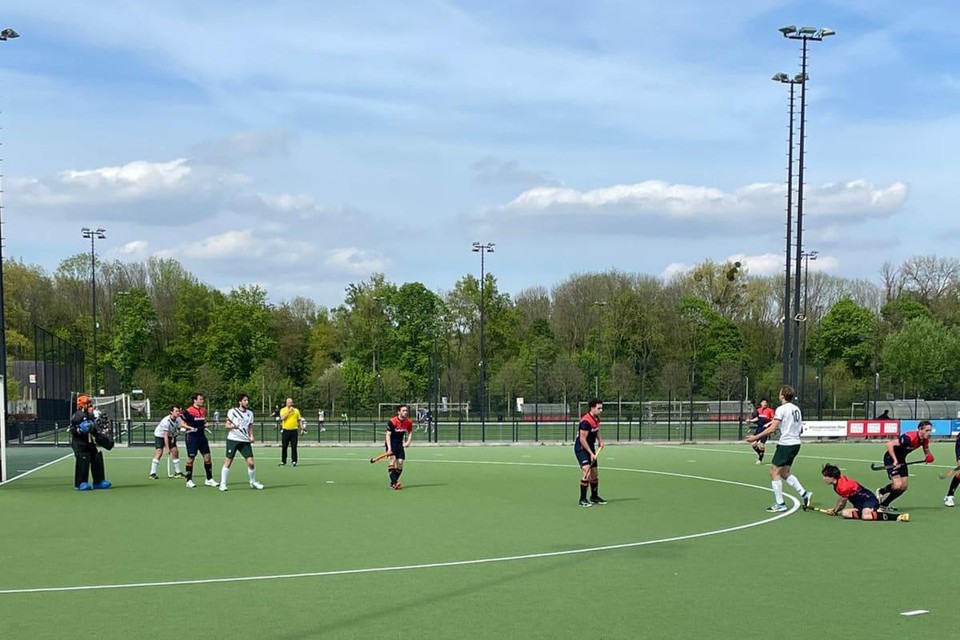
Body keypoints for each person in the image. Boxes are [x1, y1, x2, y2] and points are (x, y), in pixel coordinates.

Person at [746, 384, 812, 512]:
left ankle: (780, 503)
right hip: (796, 444)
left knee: (774, 472)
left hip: (786, 444)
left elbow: (772, 429)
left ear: (782, 395)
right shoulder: (796, 409)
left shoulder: (781, 409)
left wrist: (755, 437)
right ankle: (804, 493)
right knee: (784, 472)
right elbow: (797, 427)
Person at [876, 420, 933, 512]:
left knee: (903, 487)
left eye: (930, 430)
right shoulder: (909, 437)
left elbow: (926, 449)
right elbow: (889, 444)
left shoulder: (924, 440)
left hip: (901, 460)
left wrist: (928, 456)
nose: (929, 433)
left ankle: (884, 503)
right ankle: (881, 491)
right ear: (920, 429)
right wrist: (895, 461)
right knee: (898, 485)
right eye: (927, 430)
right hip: (891, 458)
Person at [819, 463, 908, 521]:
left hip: (869, 500)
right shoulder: (837, 484)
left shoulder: (843, 486)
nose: (823, 478)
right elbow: (841, 500)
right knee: (845, 513)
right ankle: (872, 513)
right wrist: (834, 509)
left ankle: (897, 516)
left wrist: (834, 511)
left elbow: (842, 502)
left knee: (866, 516)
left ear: (831, 477)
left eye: (824, 476)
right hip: (859, 505)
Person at [219, 393, 264, 491]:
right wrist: (233, 426)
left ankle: (252, 482)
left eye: (247, 400)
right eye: (245, 400)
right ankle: (223, 484)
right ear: (240, 402)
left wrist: (251, 436)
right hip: (233, 440)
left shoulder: (250, 413)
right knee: (228, 462)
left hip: (244, 441)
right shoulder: (232, 411)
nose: (247, 402)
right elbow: (227, 426)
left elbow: (250, 426)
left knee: (251, 463)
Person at [68, 395, 111, 491]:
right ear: (83, 405)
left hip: (89, 441)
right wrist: (80, 430)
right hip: (79, 442)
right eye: (89, 404)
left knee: (96, 457)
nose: (91, 406)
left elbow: (94, 430)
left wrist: (103, 438)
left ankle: (98, 481)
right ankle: (81, 483)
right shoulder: (77, 416)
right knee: (83, 459)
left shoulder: (90, 416)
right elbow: (73, 429)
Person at [574, 398, 606, 507]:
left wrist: (600, 441)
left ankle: (594, 497)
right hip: (582, 448)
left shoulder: (597, 418)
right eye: (599, 408)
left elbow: (597, 429)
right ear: (592, 408)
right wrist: (591, 453)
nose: (601, 410)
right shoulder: (585, 421)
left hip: (590, 447)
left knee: (594, 473)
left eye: (601, 408)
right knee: (586, 472)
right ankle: (582, 499)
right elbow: (582, 439)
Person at [182, 392, 218, 489]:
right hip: (192, 437)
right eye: (200, 399)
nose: (202, 401)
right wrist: (190, 428)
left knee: (207, 457)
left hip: (202, 436)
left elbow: (203, 421)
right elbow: (182, 423)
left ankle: (209, 479)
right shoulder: (188, 411)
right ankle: (189, 480)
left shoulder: (203, 410)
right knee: (191, 458)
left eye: (202, 399)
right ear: (195, 400)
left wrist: (206, 424)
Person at [384, 404, 414, 489]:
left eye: (406, 411)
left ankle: (393, 481)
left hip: (399, 445)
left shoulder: (408, 422)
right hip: (391, 443)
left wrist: (408, 442)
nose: (406, 412)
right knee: (392, 460)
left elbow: (410, 432)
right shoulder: (392, 421)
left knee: (400, 463)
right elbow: (388, 435)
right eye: (403, 410)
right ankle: (394, 483)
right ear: (398, 412)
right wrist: (389, 448)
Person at [150, 406, 184, 479]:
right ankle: (152, 473)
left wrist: (178, 432)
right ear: (171, 412)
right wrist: (167, 448)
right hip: (160, 435)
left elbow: (178, 428)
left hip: (170, 435)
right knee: (159, 452)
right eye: (176, 411)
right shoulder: (166, 421)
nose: (178, 413)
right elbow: (165, 435)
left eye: (178, 411)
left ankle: (177, 472)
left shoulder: (179, 419)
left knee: (175, 451)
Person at [278, 397, 306, 467]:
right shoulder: (283, 410)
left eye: (291, 402)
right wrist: (289, 412)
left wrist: (302, 428)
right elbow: (282, 418)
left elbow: (299, 420)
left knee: (294, 447)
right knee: (284, 446)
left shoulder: (296, 410)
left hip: (294, 431)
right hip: (286, 430)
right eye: (289, 402)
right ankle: (283, 461)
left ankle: (294, 461)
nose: (290, 404)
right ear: (286, 403)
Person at [747, 399, 775, 464]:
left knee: (762, 445)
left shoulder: (770, 410)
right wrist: (750, 421)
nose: (764, 403)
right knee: (753, 444)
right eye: (763, 402)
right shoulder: (758, 410)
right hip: (759, 429)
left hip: (765, 430)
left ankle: (760, 459)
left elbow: (774, 420)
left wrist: (768, 424)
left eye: (765, 402)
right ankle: (760, 454)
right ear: (761, 403)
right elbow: (757, 418)